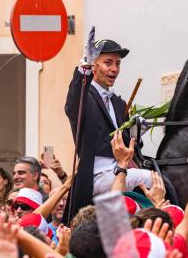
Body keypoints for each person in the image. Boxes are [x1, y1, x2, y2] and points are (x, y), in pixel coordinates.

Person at [63, 27, 151, 224]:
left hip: (120, 169)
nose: (114, 69)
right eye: (108, 63)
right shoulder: (85, 97)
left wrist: (137, 131)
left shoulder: (119, 104)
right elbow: (73, 101)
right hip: (95, 175)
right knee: (151, 179)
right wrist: (83, 67)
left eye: (118, 64)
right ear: (94, 66)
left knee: (158, 174)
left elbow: (130, 147)